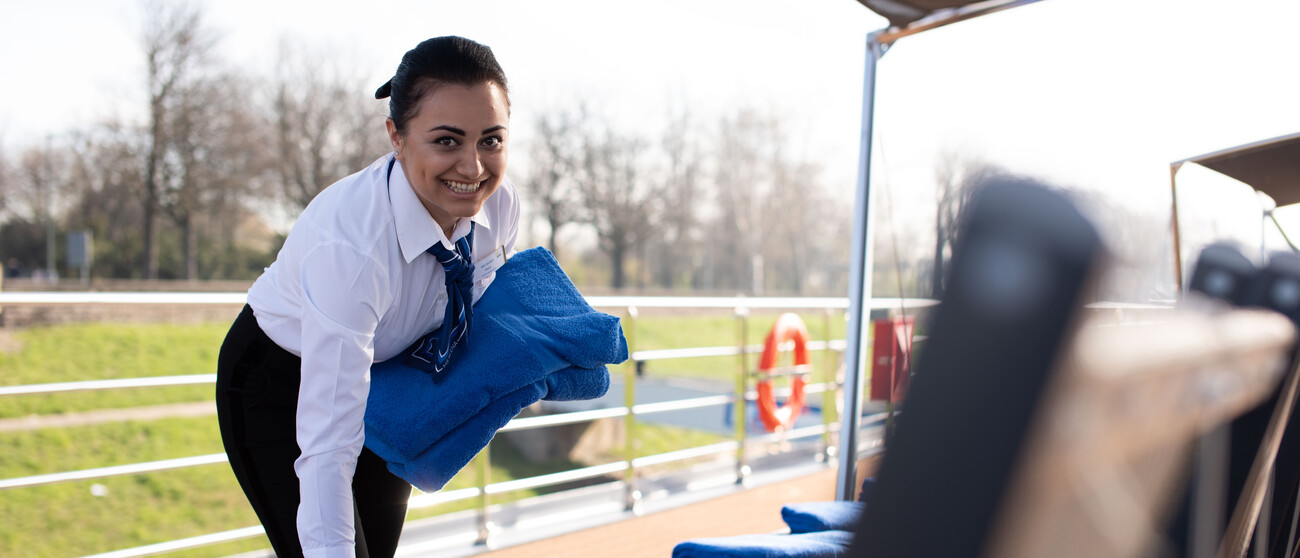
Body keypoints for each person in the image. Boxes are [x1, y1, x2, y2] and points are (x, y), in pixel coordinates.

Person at [216, 36, 519, 558]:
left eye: (491, 140)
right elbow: (327, 445)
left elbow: (479, 296)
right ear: (396, 137)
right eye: (447, 141)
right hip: (277, 382)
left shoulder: (501, 209)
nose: (473, 168)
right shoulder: (352, 249)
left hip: (387, 376)